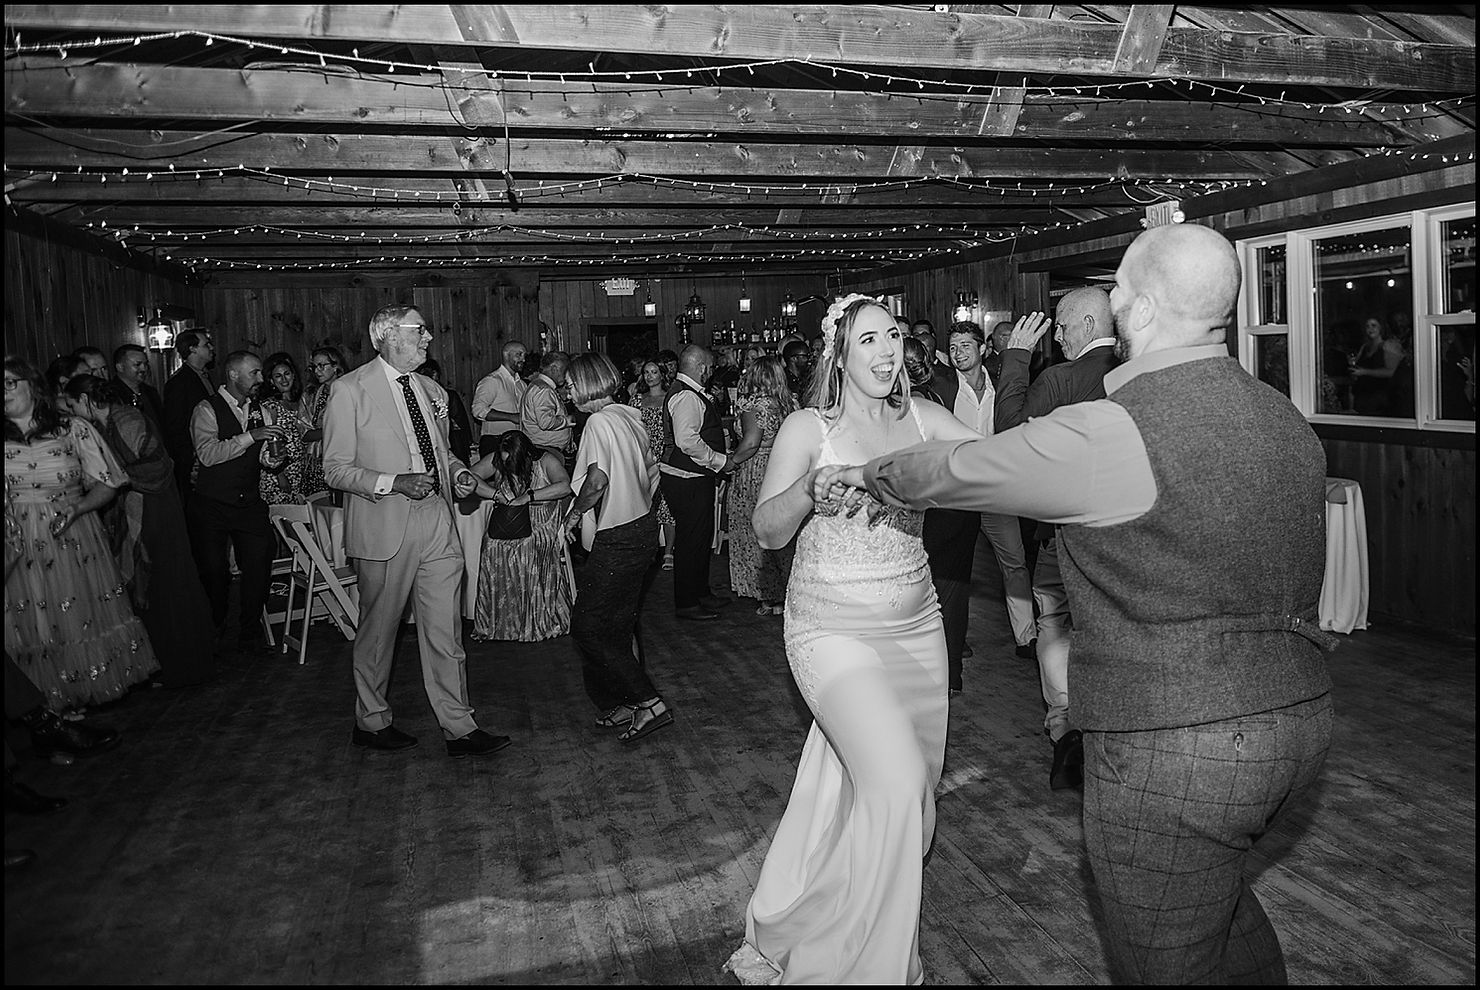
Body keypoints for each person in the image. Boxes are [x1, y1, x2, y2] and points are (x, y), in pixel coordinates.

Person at [837, 224, 1337, 984]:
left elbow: (959, 470)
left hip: (1177, 743)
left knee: (1165, 958)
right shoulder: (1285, 418)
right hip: (1300, 725)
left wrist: (873, 471)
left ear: (1134, 311)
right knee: (1219, 911)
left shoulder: (1114, 431)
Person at [724, 295, 979, 984]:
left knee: (909, 801)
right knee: (895, 786)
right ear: (840, 353)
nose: (886, 349)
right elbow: (769, 532)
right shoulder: (812, 426)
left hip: (918, 627)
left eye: (893, 336)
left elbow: (993, 461)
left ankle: (804, 910)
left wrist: (1006, 378)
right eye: (868, 339)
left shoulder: (923, 417)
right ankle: (868, 967)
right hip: (829, 628)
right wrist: (809, 488)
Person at [322, 304, 510, 759]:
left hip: (436, 519)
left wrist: (460, 473)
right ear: (386, 335)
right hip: (385, 522)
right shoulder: (350, 390)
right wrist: (393, 483)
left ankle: (459, 727)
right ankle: (370, 721)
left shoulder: (428, 388)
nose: (428, 337)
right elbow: (334, 469)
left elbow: (438, 452)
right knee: (379, 632)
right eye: (419, 330)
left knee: (446, 629)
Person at [993, 287, 1120, 790]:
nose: (1060, 336)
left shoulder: (1062, 378)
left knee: (1054, 620)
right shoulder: (1136, 373)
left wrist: (1016, 358)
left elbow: (1009, 435)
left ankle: (1065, 728)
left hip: (1066, 531)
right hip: (1122, 531)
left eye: (1064, 326)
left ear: (1089, 324)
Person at [3, 358, 161, 709]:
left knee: (70, 620)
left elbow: (109, 482)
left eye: (10, 382)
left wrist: (78, 509)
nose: (4, 391)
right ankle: (41, 712)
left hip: (71, 537)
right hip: (15, 543)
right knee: (28, 625)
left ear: (32, 385)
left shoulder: (71, 428)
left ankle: (72, 703)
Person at [62, 376, 217, 688]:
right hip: (143, 510)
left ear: (86, 398)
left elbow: (159, 467)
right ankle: (167, 664)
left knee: (166, 583)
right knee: (154, 587)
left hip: (156, 512)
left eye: (73, 404)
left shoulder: (127, 419)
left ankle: (185, 666)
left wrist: (113, 478)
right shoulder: (107, 425)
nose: (72, 412)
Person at [563, 353, 670, 743]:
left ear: (590, 384)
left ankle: (649, 702)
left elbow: (596, 481)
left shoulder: (596, 421)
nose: (567, 390)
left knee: (588, 629)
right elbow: (651, 472)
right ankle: (626, 701)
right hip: (642, 529)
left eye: (572, 384)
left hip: (619, 536)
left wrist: (573, 517)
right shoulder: (630, 415)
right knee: (618, 625)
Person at [947, 320, 1036, 660]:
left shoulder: (1002, 385)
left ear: (982, 348)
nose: (958, 354)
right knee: (956, 568)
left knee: (1014, 563)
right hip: (959, 491)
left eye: (965, 346)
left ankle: (1026, 637)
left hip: (997, 489)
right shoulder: (945, 387)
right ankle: (955, 637)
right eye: (953, 348)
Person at [187, 350, 287, 651]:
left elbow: (264, 457)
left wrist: (273, 458)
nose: (260, 379)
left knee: (259, 561)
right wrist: (250, 437)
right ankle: (215, 627)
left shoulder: (260, 410)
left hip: (248, 501)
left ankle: (250, 628)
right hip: (212, 503)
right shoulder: (206, 409)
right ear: (233, 375)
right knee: (214, 571)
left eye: (259, 373)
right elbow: (208, 454)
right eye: (254, 373)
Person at [903, 336, 977, 696]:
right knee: (950, 594)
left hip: (940, 510)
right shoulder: (933, 398)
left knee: (930, 595)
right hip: (957, 507)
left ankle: (935, 678)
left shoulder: (909, 409)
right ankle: (949, 676)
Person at [469, 429, 573, 642]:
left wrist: (528, 496)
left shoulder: (545, 460)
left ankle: (533, 621)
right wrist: (495, 494)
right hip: (509, 519)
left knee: (527, 546)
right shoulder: (499, 458)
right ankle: (503, 624)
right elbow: (469, 478)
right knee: (492, 546)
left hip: (540, 519)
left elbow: (564, 486)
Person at [660, 345, 733, 621]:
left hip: (692, 476)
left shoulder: (689, 393)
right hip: (685, 478)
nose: (711, 372)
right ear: (701, 367)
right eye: (710, 368)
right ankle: (687, 602)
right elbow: (687, 441)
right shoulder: (687, 397)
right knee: (691, 540)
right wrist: (719, 461)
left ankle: (701, 593)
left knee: (700, 538)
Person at [726, 355, 794, 615]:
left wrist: (731, 461)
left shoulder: (754, 405)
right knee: (779, 533)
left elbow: (751, 443)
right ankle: (785, 591)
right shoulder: (788, 403)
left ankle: (767, 595)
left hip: (755, 470)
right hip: (780, 468)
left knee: (753, 532)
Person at [632, 358, 678, 568]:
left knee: (668, 504)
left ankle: (669, 551)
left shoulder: (671, 398)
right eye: (646, 373)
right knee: (647, 504)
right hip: (644, 455)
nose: (650, 377)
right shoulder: (637, 400)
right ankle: (649, 551)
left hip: (666, 455)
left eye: (654, 372)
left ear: (662, 375)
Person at [162, 328, 216, 497]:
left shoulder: (204, 376)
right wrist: (191, 459)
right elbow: (176, 427)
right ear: (193, 349)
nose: (212, 348)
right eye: (206, 345)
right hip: (193, 459)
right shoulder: (179, 383)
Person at [258, 352, 312, 506]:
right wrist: (279, 474)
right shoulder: (271, 406)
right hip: (279, 474)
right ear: (271, 381)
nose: (284, 379)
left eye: (287, 374)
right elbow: (268, 442)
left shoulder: (300, 402)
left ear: (293, 376)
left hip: (298, 470)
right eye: (278, 376)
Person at [470, 339, 528, 458]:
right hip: (495, 442)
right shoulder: (492, 381)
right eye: (519, 354)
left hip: (517, 442)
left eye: (524, 355)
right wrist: (511, 417)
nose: (523, 359)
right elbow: (478, 410)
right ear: (506, 355)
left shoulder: (522, 385)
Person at [301, 344, 343, 498]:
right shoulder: (311, 394)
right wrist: (329, 431)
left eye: (321, 366)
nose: (317, 371)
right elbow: (303, 432)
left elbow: (348, 429)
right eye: (314, 366)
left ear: (335, 366)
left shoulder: (348, 391)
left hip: (338, 459)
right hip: (313, 462)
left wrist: (322, 432)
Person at [416, 358, 473, 464]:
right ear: (435, 374)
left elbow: (461, 424)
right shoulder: (447, 395)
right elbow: (463, 424)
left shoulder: (447, 395)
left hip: (452, 447)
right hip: (447, 446)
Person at [520, 350, 574, 459]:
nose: (566, 376)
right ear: (554, 369)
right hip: (545, 451)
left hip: (547, 449)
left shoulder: (539, 386)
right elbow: (545, 422)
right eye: (565, 371)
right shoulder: (543, 390)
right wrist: (567, 421)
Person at [1350, 316, 1405, 416]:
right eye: (1367, 326)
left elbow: (1391, 372)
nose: (1370, 329)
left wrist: (1365, 372)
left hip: (1381, 398)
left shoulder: (1389, 345)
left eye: (1374, 326)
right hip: (1362, 397)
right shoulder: (1364, 347)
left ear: (1381, 328)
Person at [111, 343, 164, 425]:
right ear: (120, 367)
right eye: (137, 364)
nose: (143, 369)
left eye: (145, 364)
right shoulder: (110, 394)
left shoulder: (151, 392)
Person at [780, 339, 810, 406]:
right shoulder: (782, 379)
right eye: (805, 356)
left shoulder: (809, 377)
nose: (808, 359)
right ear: (794, 359)